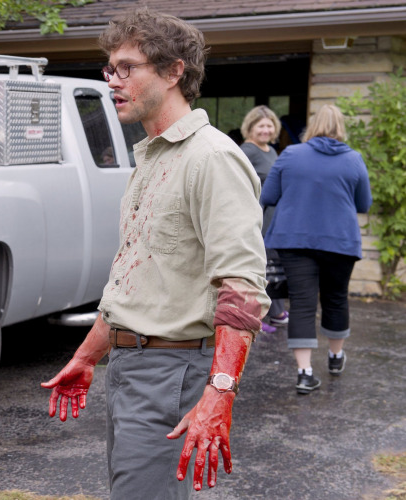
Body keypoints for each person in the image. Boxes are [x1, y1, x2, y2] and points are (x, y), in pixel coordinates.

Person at [41, 8, 271, 500]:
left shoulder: (212, 158)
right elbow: (134, 280)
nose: (112, 81)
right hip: (129, 369)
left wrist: (220, 391)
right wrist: (87, 356)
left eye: (127, 67)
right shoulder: (151, 157)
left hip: (172, 372)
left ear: (173, 72)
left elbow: (242, 288)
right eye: (109, 69)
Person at [260, 104, 372, 395]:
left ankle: (304, 373)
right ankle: (335, 357)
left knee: (302, 303)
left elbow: (269, 195)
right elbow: (364, 204)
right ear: (341, 127)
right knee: (336, 299)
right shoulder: (354, 159)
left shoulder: (291, 155)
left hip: (294, 240)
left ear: (311, 127)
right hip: (340, 242)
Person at [240, 105, 289, 334]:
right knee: (260, 265)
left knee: (272, 263)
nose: (266, 130)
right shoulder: (247, 150)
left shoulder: (271, 150)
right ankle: (260, 318)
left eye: (269, 125)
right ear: (251, 127)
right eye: (261, 125)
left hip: (272, 216)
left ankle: (276, 311)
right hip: (255, 215)